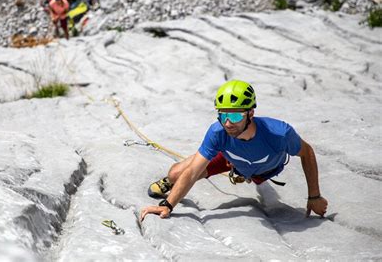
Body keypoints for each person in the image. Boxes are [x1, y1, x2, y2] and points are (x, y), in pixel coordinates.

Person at [140, 80, 328, 221]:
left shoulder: (279, 133)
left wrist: (314, 196)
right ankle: (169, 182)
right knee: (176, 174)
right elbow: (192, 172)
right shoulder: (218, 131)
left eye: (236, 115)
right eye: (223, 115)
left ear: (251, 113)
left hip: (265, 170)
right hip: (231, 159)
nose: (228, 123)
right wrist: (168, 205)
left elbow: (307, 152)